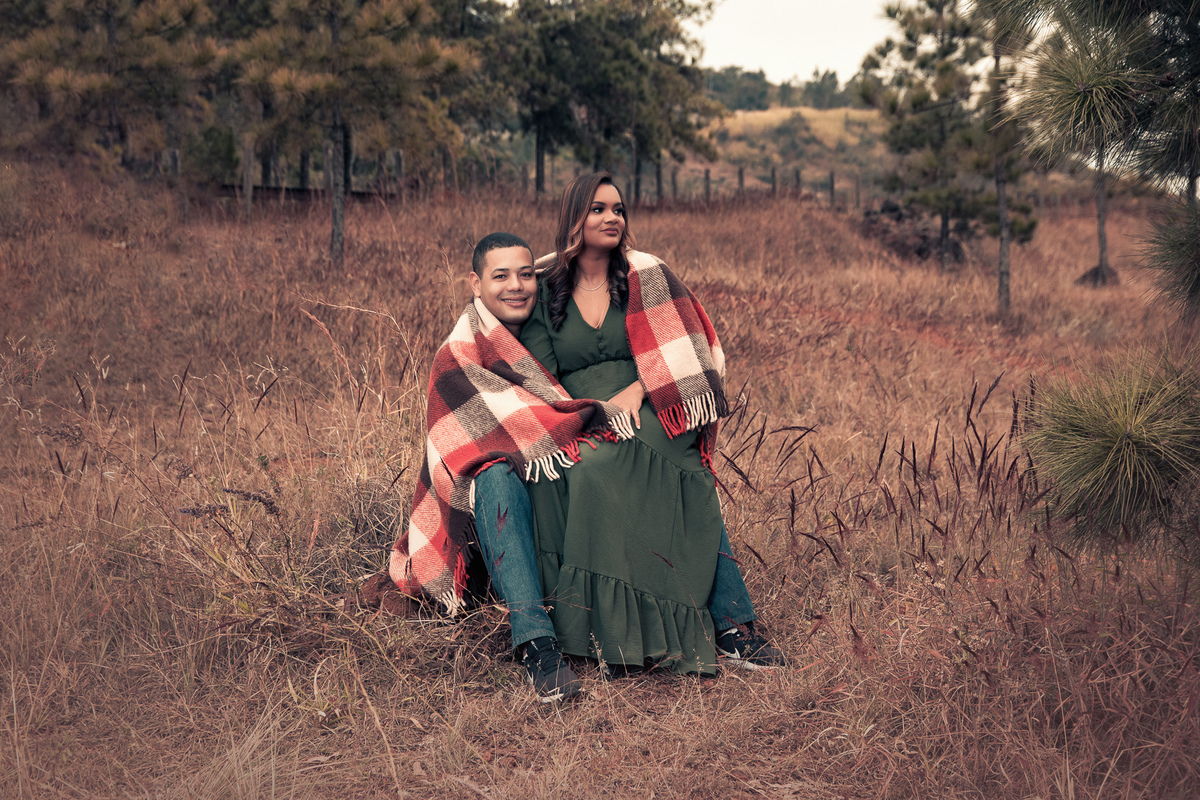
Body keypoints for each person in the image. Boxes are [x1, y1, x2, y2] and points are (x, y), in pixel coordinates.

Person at [519, 172, 783, 676]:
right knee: (577, 470)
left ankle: (723, 628)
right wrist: (588, 411)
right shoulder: (545, 282)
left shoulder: (647, 274)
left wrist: (640, 390)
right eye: (597, 208)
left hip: (655, 405)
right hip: (581, 413)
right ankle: (608, 632)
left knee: (622, 468)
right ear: (574, 215)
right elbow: (540, 375)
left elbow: (684, 352)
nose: (612, 217)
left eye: (618, 209)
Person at [390, 231, 633, 703]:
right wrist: (584, 414)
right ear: (475, 285)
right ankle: (536, 645)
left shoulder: (554, 337)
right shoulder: (458, 354)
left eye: (526, 274)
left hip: (553, 494)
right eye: (500, 276)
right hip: (482, 521)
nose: (516, 286)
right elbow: (459, 452)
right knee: (495, 472)